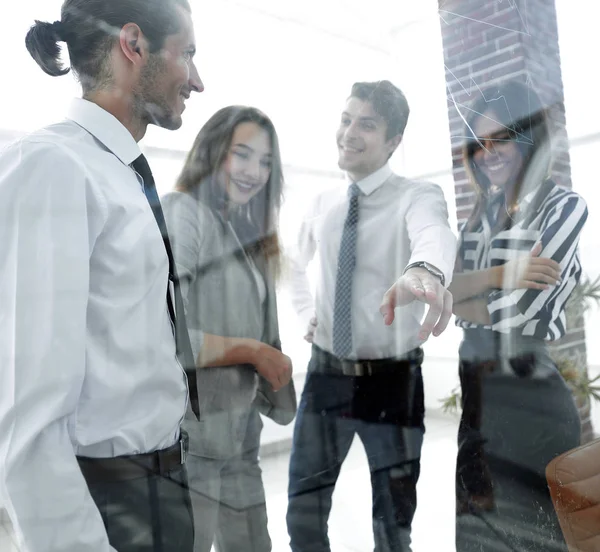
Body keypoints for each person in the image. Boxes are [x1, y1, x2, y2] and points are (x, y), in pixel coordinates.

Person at [0, 1, 204, 550]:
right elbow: (27, 421)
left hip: (162, 485)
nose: (198, 80)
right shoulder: (53, 166)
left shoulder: (120, 172)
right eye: (187, 54)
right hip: (111, 501)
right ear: (132, 45)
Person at [286, 80, 457, 552]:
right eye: (345, 119)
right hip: (326, 377)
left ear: (393, 141)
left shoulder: (416, 195)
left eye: (367, 124)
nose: (349, 133)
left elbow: (433, 233)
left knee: (393, 520)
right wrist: (305, 311)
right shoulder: (323, 205)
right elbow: (291, 265)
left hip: (392, 382)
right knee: (303, 512)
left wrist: (423, 270)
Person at [449, 80, 588, 551]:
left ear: (528, 138)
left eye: (502, 138)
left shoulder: (564, 207)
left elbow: (519, 313)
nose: (489, 153)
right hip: (478, 405)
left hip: (532, 404)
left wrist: (466, 289)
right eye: (480, 142)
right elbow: (447, 300)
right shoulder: (475, 219)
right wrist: (502, 274)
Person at [162, 106, 296, 552]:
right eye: (242, 155)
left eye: (265, 162)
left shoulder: (246, 233)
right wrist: (253, 351)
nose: (254, 171)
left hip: (240, 436)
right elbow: (165, 331)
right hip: (193, 443)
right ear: (213, 152)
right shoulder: (184, 213)